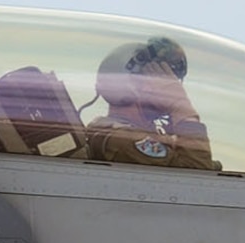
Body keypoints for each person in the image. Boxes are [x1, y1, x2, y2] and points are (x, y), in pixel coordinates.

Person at [84, 37, 218, 169]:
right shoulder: (122, 140)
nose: (170, 89)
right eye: (161, 81)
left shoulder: (135, 135)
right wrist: (180, 106)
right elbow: (198, 175)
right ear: (131, 84)